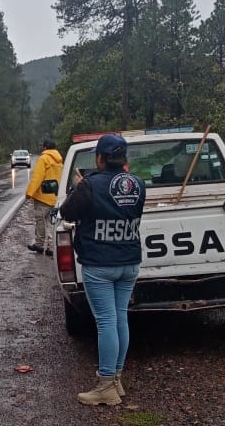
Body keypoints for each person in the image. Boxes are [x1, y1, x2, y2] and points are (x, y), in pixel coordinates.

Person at [59, 133, 146, 407]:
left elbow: (67, 213)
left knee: (106, 321)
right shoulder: (138, 184)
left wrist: (78, 188)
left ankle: (106, 384)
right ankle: (116, 380)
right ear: (124, 159)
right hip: (129, 261)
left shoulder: (91, 185)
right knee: (120, 318)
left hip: (100, 264)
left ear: (100, 158)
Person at [25, 138, 63, 257]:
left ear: (45, 148)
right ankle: (51, 248)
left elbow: (37, 177)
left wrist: (29, 193)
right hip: (55, 197)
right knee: (51, 223)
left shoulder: (44, 159)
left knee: (40, 221)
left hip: (43, 197)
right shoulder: (59, 161)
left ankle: (39, 245)